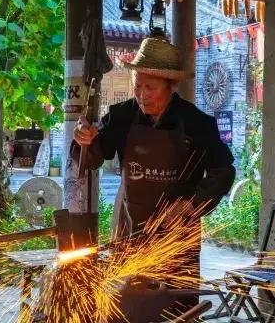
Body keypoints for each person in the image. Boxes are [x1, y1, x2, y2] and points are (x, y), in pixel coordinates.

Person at [73, 37, 234, 288]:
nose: (142, 95)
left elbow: (223, 171)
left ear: (172, 85)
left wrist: (191, 204)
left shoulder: (197, 123)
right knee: (128, 306)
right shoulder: (121, 116)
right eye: (138, 86)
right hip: (130, 229)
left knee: (175, 312)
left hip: (177, 233)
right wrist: (84, 142)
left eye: (151, 88)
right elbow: (92, 159)